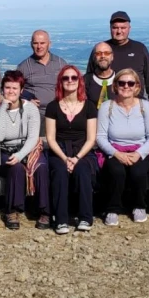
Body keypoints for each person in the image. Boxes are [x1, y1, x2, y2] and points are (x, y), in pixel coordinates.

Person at [0, 70, 49, 230]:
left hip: (28, 149)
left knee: (41, 167)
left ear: (22, 90)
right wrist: (3, 109)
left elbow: (33, 137)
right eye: (7, 88)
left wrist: (21, 154)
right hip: (4, 151)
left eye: (15, 88)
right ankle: (12, 210)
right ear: (2, 89)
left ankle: (44, 210)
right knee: (15, 168)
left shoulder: (30, 109)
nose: (11, 92)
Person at [96, 68, 149, 225]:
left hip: (139, 149)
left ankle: (139, 206)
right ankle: (112, 208)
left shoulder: (145, 107)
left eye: (130, 83)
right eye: (122, 83)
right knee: (117, 172)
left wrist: (138, 154)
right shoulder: (107, 107)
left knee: (138, 172)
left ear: (137, 87)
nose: (126, 86)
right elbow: (101, 137)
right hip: (114, 150)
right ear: (115, 86)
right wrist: (116, 153)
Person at [44, 65, 97, 234]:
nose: (70, 81)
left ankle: (85, 217)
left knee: (82, 171)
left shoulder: (89, 106)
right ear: (60, 82)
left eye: (73, 78)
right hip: (59, 150)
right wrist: (65, 158)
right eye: (65, 78)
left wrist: (77, 157)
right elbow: (51, 138)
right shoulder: (52, 107)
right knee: (59, 172)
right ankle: (61, 220)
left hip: (83, 151)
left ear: (79, 81)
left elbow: (91, 138)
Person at [87, 11, 149, 103]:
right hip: (106, 105)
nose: (119, 31)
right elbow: (89, 78)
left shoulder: (139, 48)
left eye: (123, 28)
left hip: (135, 105)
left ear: (129, 28)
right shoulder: (102, 49)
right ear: (110, 28)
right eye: (115, 28)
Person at [17, 30, 68, 118]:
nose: (39, 46)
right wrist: (25, 101)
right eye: (35, 43)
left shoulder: (60, 63)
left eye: (42, 43)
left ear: (49, 44)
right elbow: (15, 90)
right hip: (36, 114)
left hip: (59, 112)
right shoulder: (24, 67)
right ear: (31, 44)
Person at [85, 42, 116, 106]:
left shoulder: (121, 80)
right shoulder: (85, 81)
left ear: (112, 57)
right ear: (94, 57)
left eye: (107, 53)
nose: (103, 56)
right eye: (98, 53)